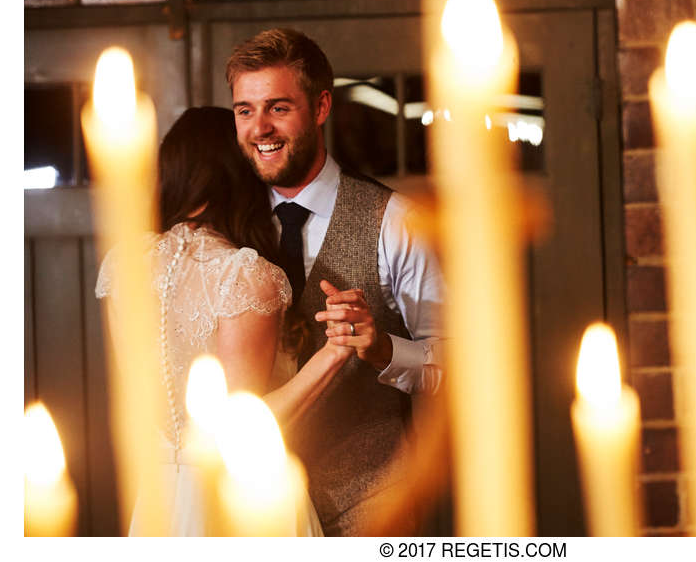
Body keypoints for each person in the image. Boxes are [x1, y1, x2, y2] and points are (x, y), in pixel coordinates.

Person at [227, 28, 445, 536]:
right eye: (244, 110)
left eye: (278, 107)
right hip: (255, 513)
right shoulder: (228, 229)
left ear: (321, 106)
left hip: (373, 509)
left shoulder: (396, 221)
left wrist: (382, 349)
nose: (260, 128)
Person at [95, 106, 353, 536]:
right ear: (241, 175)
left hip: (160, 495)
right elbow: (240, 429)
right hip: (242, 499)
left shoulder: (123, 264)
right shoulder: (242, 275)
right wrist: (334, 354)